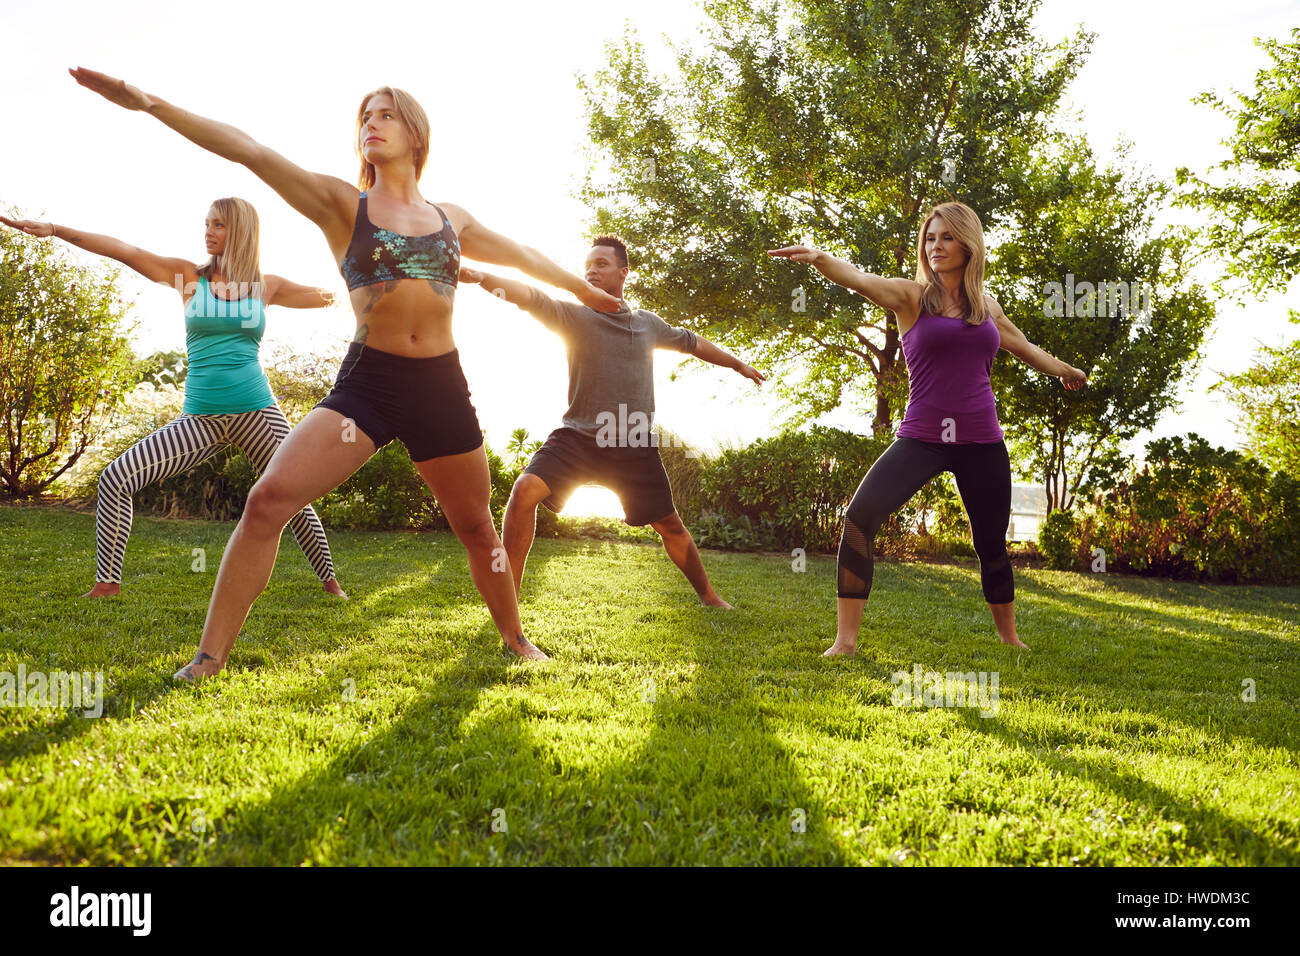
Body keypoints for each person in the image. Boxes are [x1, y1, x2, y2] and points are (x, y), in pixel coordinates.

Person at [69, 67, 624, 678]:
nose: (372, 124)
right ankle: (208, 655)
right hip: (371, 382)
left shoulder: (452, 220)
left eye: (385, 114)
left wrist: (585, 293)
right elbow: (251, 151)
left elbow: (524, 254)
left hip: (441, 384)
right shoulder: (342, 205)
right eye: (365, 117)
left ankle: (515, 637)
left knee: (475, 527)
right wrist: (149, 103)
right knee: (268, 499)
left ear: (416, 132)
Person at [770, 200, 1088, 656]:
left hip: (982, 440)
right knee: (859, 519)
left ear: (969, 245)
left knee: (990, 541)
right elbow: (860, 279)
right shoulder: (911, 297)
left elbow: (1023, 346)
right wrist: (821, 259)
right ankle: (845, 642)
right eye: (930, 238)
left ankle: (1010, 638)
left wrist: (1065, 370)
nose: (935, 246)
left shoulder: (986, 306)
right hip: (922, 437)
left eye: (946, 237)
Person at [0, 200, 347, 601]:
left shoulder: (265, 286)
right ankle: (107, 584)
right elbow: (124, 250)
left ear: (242, 231)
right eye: (206, 224)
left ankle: (330, 583)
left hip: (258, 412)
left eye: (219, 225)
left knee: (289, 490)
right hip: (200, 418)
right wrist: (56, 229)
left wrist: (384, 281)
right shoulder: (186, 277)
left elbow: (334, 298)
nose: (208, 232)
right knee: (116, 478)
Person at [462, 234, 764, 608]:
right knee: (525, 491)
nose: (591, 271)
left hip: (634, 445)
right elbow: (529, 296)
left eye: (602, 265)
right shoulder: (573, 316)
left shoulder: (647, 324)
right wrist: (479, 276)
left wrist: (736, 363)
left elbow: (691, 342)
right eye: (588, 265)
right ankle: (509, 600)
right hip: (577, 438)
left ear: (623, 273)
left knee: (669, 526)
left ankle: (710, 597)